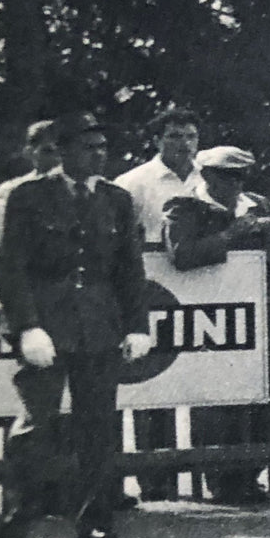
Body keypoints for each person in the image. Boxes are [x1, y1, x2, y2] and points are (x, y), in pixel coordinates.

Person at [0, 112, 151, 538]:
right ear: (61, 152)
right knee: (34, 426)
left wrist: (137, 325)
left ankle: (95, 521)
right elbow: (10, 268)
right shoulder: (28, 196)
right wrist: (27, 328)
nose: (98, 154)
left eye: (103, 146)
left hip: (98, 327)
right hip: (46, 325)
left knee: (97, 428)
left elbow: (128, 271)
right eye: (88, 147)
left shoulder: (117, 199)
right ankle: (17, 523)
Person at [162, 145, 270, 505]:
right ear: (206, 175)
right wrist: (231, 236)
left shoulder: (258, 205)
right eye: (227, 175)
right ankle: (219, 478)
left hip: (259, 313)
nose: (235, 183)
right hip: (210, 317)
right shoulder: (183, 207)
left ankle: (251, 473)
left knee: (265, 393)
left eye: (241, 175)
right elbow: (180, 255)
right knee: (215, 399)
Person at [114, 107, 203, 502]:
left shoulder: (209, 176)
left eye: (189, 136)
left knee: (206, 380)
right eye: (173, 136)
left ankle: (212, 476)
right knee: (153, 385)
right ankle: (156, 482)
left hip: (206, 291)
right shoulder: (134, 183)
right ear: (156, 140)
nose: (183, 144)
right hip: (152, 293)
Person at [0, 120, 59, 250]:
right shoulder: (11, 190)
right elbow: (0, 242)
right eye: (48, 151)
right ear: (29, 152)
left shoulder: (82, 188)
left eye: (61, 151)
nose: (57, 158)